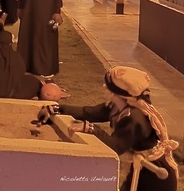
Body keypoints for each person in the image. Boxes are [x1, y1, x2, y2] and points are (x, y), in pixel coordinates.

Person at [37, 66, 178, 191]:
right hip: (141, 169)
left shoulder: (133, 118)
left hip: (155, 176)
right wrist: (57, 108)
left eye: (107, 85)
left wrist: (90, 128)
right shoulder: (116, 106)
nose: (104, 87)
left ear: (117, 93)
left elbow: (116, 146)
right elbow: (89, 112)